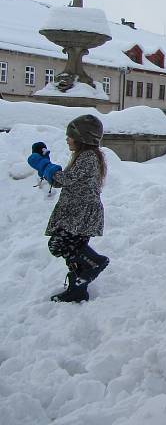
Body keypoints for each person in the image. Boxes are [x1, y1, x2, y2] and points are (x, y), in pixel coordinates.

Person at [28, 115, 110, 303]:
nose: (67, 139)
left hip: (81, 213)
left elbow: (65, 179)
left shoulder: (88, 158)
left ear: (83, 138)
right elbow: (62, 181)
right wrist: (45, 164)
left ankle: (95, 263)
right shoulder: (83, 156)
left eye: (70, 136)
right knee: (73, 248)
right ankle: (77, 289)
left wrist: (43, 165)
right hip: (77, 211)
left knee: (58, 244)